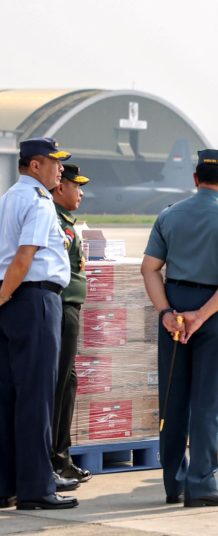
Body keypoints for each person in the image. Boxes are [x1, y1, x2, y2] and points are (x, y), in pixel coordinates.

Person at [141, 149, 218, 506]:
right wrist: (203, 315)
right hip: (214, 311)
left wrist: (166, 312)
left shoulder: (169, 215)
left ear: (195, 179)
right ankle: (202, 481)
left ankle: (173, 482)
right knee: (206, 402)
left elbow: (149, 268)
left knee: (173, 399)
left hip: (173, 309)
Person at [0, 137, 78, 510]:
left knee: (7, 397)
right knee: (36, 398)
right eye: (54, 162)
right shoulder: (39, 202)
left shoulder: (8, 198)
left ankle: (6, 484)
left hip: (11, 301)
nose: (59, 169)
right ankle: (36, 488)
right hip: (33, 299)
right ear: (35, 166)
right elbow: (25, 257)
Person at [50, 164, 92, 484]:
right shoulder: (53, 218)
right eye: (76, 185)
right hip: (61, 309)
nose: (81, 192)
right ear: (60, 186)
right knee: (59, 385)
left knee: (68, 385)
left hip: (70, 310)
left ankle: (62, 455)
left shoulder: (67, 221)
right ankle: (55, 458)